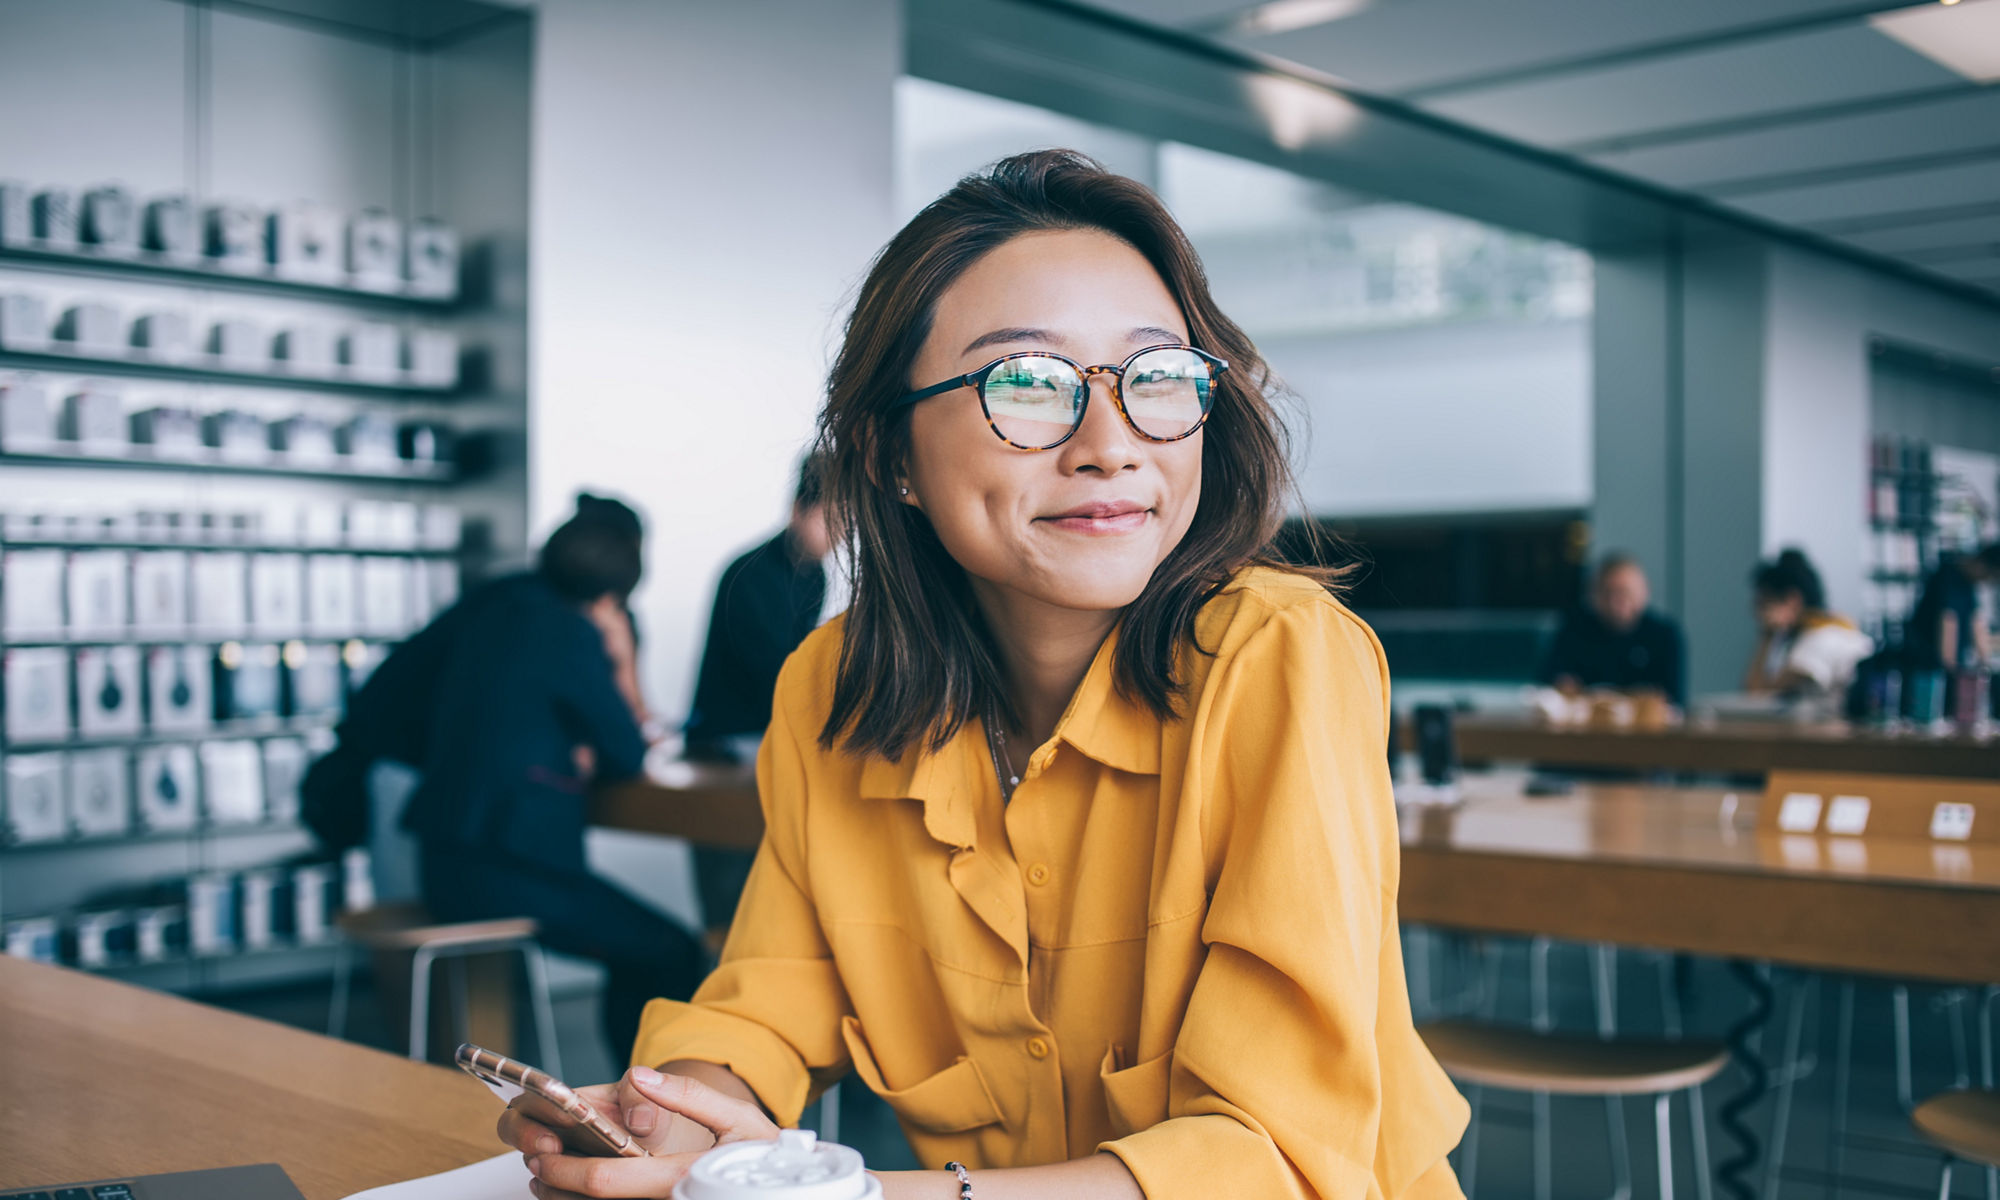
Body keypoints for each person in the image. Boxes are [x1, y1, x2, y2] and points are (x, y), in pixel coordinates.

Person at [498, 151, 1465, 1199]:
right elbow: (770, 992)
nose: (1111, 443)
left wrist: (856, 1195)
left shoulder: (1279, 658)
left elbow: (1274, 1156)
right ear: (888, 455)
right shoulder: (834, 685)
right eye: (1029, 385)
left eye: (1157, 377)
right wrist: (668, 1117)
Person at [335, 494, 707, 1063]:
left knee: (649, 946)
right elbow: (628, 756)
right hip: (507, 871)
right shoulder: (573, 635)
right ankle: (646, 1101)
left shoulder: (495, 604)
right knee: (670, 949)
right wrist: (620, 657)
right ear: (616, 588)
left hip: (444, 850)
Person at [684, 453, 836, 938]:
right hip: (724, 753)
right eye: (834, 520)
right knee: (730, 915)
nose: (843, 536)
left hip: (766, 749)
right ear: (798, 509)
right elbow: (782, 676)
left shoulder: (815, 574)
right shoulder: (749, 574)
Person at [1540, 552, 1687, 707]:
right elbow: (1548, 686)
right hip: (1583, 728)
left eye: (1625, 592)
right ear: (1593, 593)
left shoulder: (1664, 635)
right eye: (1607, 593)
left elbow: (1674, 701)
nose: (1615, 602)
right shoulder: (1571, 629)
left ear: (1645, 591)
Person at [1742, 549, 1873, 698]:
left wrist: (1766, 636)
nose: (1757, 613)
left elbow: (1757, 696)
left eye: (1764, 603)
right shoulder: (1834, 627)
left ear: (1792, 600)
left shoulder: (1818, 639)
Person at [1906, 542, 2000, 671]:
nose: (1986, 581)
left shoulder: (1969, 583)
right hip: (1928, 662)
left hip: (1949, 663)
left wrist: (1985, 665)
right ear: (1981, 564)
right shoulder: (1948, 576)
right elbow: (1948, 621)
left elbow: (1976, 621)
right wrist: (1950, 669)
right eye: (1990, 576)